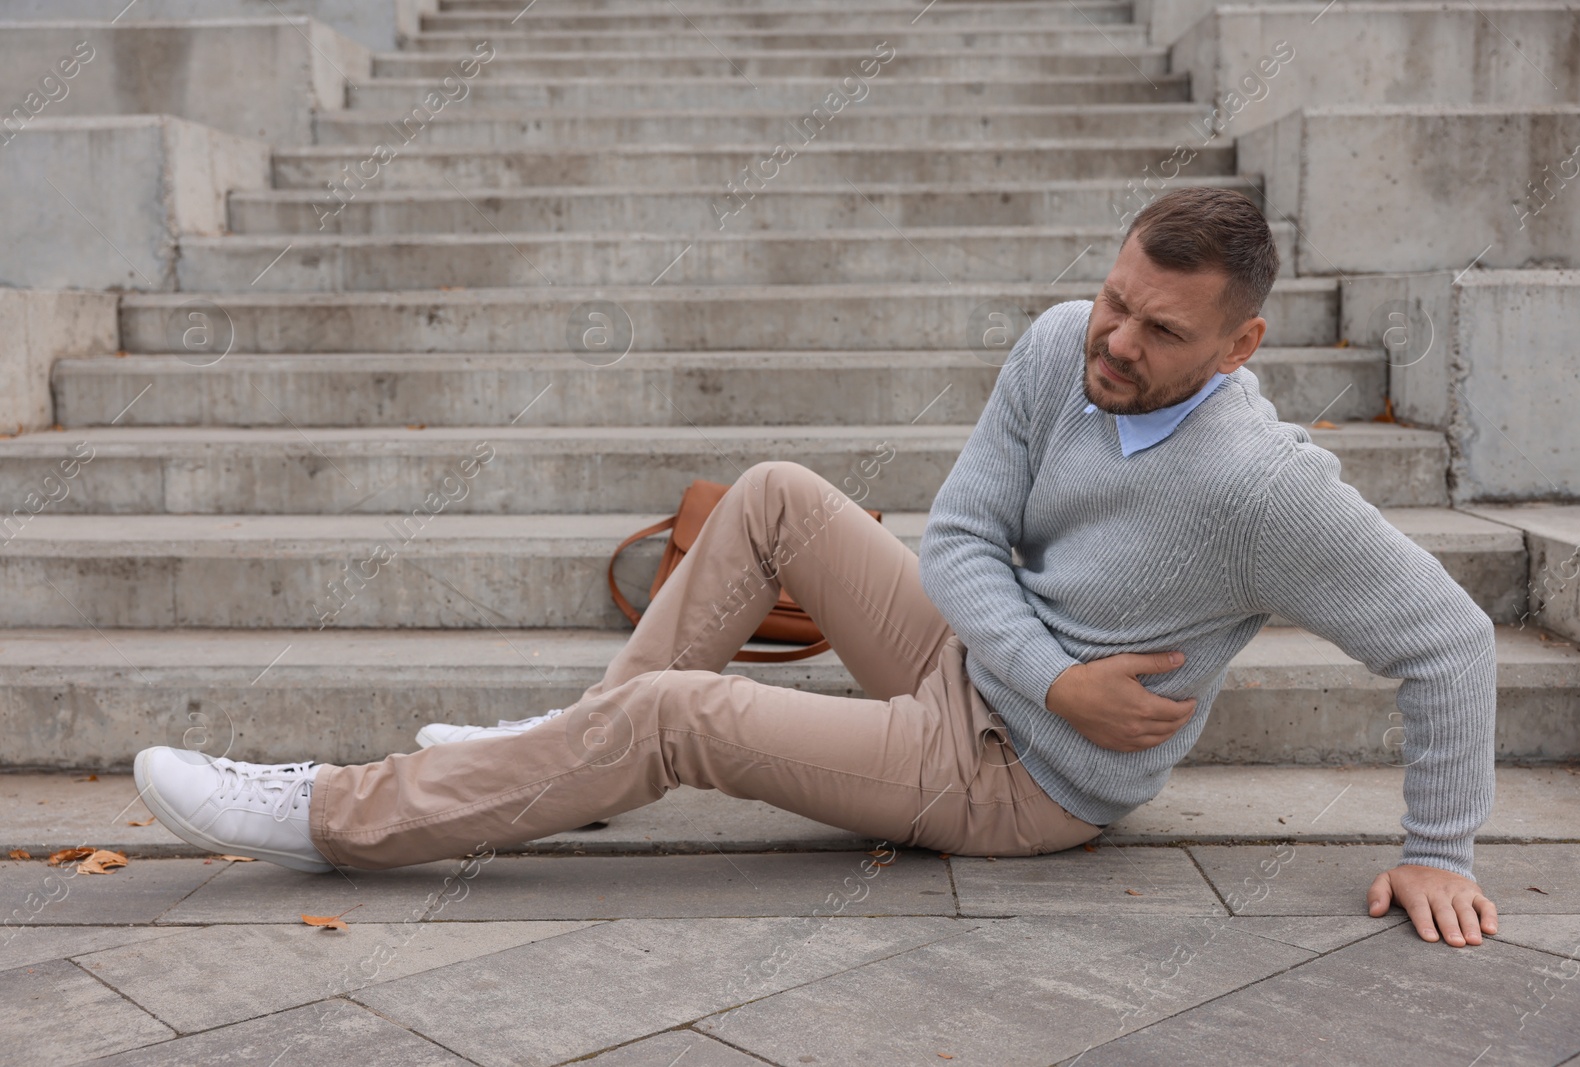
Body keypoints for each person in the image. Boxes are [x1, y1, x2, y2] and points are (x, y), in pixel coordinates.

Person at [133, 188, 1499, 948]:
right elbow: (960, 542)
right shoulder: (1055, 347)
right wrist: (1047, 670)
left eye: (1158, 333)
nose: (1113, 343)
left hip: (1028, 783)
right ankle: (575, 751)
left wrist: (1437, 853)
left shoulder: (1267, 492)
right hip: (988, 668)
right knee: (775, 495)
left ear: (1242, 350)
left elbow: (1449, 643)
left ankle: (328, 815)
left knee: (677, 719)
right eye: (1112, 300)